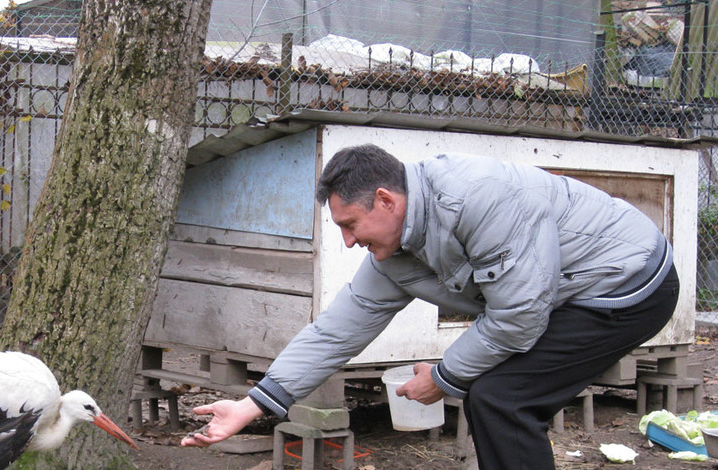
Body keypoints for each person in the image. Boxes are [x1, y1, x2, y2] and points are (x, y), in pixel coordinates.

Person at [181, 144, 678, 470]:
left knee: (503, 397)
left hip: (628, 283)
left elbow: (518, 320)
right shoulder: (394, 252)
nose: (349, 242)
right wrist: (250, 406)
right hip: (564, 294)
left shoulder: (479, 199)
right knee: (498, 394)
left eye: (350, 225)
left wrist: (441, 377)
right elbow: (337, 331)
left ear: (386, 200)